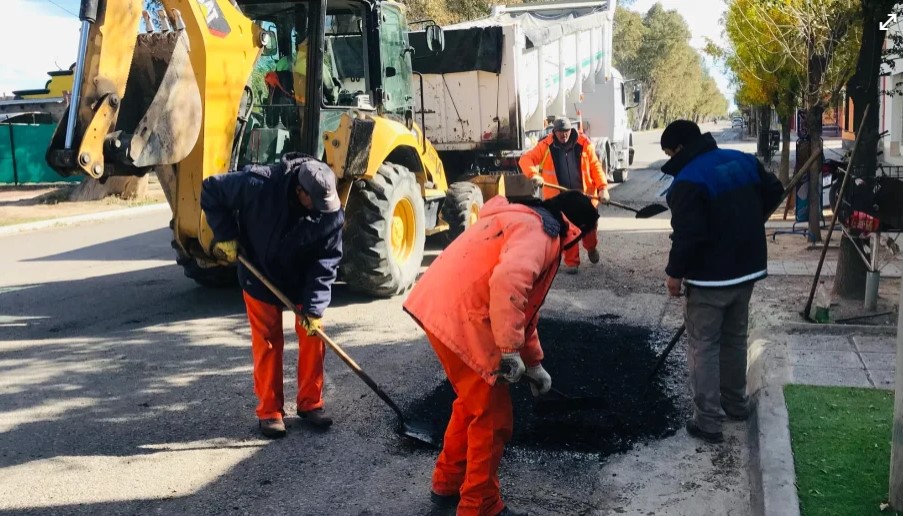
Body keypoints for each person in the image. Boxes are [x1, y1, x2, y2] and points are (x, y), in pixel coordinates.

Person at [404, 184, 600, 516]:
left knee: (471, 404)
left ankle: (447, 485)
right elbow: (508, 284)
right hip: (464, 318)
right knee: (493, 417)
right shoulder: (543, 234)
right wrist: (509, 349)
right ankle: (480, 505)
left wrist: (534, 363)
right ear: (575, 229)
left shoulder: (522, 219)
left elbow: (524, 307)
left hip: (439, 308)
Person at [200, 153, 344, 439]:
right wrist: (226, 235)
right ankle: (270, 412)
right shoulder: (258, 184)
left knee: (313, 334)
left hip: (303, 278)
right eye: (313, 202)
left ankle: (310, 403)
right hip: (259, 273)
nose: (319, 210)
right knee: (267, 341)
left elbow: (327, 259)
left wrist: (313, 308)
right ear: (299, 191)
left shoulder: (329, 210)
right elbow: (211, 189)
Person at [659, 120, 783, 444]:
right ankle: (736, 405)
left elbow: (689, 235)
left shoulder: (687, 181)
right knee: (734, 339)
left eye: (670, 152)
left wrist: (674, 274)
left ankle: (708, 422)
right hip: (748, 271)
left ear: (680, 149)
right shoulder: (743, 160)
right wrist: (750, 219)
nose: (670, 158)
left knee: (704, 346)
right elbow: (775, 190)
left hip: (710, 280)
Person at [518, 117, 609, 274]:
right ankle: (572, 263)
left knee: (589, 229)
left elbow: (595, 167)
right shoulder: (546, 146)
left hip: (585, 197)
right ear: (555, 132)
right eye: (560, 132)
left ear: (571, 131)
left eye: (566, 132)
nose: (564, 135)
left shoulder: (584, 144)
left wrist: (603, 188)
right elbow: (525, 159)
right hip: (562, 199)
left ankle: (591, 248)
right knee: (568, 230)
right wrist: (534, 175)